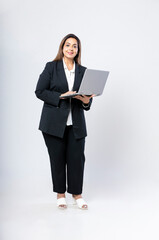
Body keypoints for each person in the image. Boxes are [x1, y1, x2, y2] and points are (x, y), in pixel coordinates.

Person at [35, 33, 94, 210]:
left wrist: (86, 100)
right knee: (57, 159)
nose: (71, 48)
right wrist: (61, 96)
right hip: (53, 124)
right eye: (67, 45)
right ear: (62, 48)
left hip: (75, 124)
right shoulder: (51, 67)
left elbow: (87, 101)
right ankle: (60, 194)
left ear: (78, 50)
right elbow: (39, 91)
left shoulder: (83, 71)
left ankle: (77, 195)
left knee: (77, 159)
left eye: (74, 46)